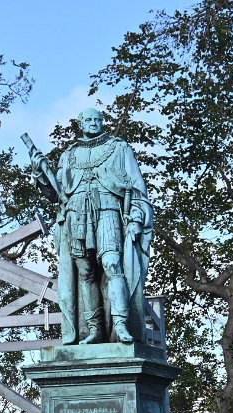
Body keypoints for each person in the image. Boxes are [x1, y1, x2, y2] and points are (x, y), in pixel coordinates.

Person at [27, 109, 153, 345]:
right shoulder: (69, 155)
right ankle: (94, 330)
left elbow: (137, 187)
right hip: (75, 216)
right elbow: (55, 195)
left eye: (97, 119)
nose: (93, 123)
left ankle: (121, 325)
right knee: (85, 273)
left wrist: (136, 218)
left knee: (112, 263)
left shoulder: (119, 148)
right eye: (88, 120)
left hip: (108, 211)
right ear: (81, 123)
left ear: (102, 122)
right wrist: (39, 173)